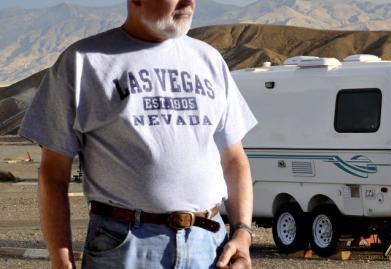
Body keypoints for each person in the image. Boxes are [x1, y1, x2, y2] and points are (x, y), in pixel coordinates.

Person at [18, 0, 257, 268]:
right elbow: (53, 172)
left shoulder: (209, 59)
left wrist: (242, 232)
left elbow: (234, 159)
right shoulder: (84, 61)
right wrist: (60, 259)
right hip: (125, 245)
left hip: (211, 245)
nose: (188, 2)